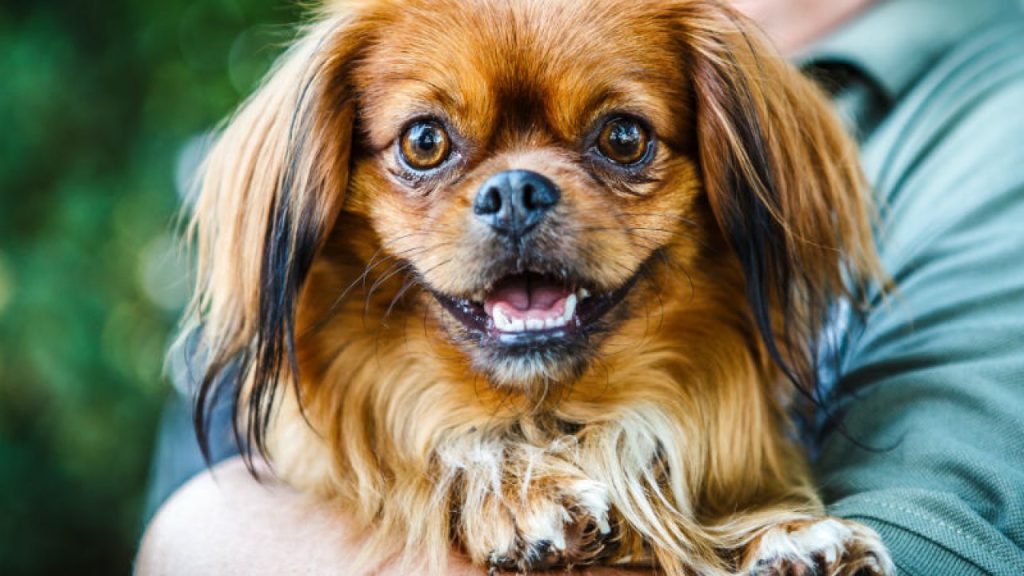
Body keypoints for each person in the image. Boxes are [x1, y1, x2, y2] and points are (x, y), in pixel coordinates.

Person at [135, 0, 1024, 573]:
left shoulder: (995, 109)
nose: (515, 196)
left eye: (623, 142)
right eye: (426, 146)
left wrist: (220, 539)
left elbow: (943, 546)